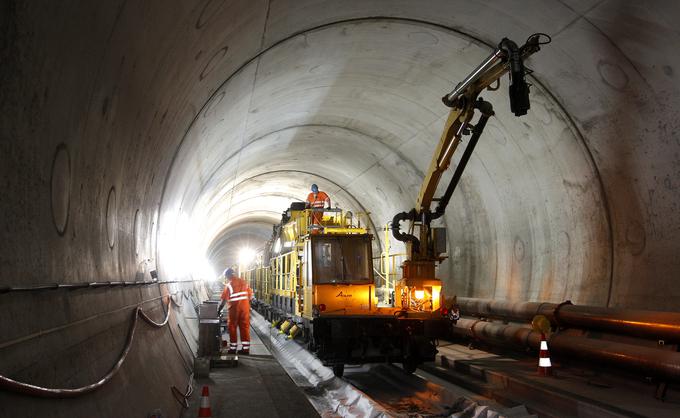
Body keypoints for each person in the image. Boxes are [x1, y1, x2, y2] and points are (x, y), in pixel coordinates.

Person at [217, 268, 252, 354]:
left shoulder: (229, 285)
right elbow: (250, 296)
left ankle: (233, 348)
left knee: (232, 327)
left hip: (234, 309)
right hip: (245, 309)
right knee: (245, 327)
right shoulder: (244, 282)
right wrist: (247, 306)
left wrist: (219, 310)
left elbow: (224, 300)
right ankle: (246, 349)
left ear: (228, 275)